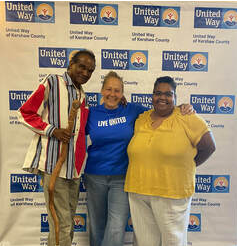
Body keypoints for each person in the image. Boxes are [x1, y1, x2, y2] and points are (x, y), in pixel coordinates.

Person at [84, 71, 193, 246]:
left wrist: (183, 107)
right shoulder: (91, 113)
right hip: (95, 175)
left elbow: (162, 110)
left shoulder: (133, 110)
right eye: (109, 89)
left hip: (122, 177)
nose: (113, 94)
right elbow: (75, 138)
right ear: (102, 91)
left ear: (122, 93)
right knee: (97, 226)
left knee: (116, 226)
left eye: (117, 90)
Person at [124, 76, 216, 246]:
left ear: (175, 97)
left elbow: (209, 146)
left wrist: (187, 166)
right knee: (144, 241)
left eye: (168, 94)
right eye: (158, 93)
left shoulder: (186, 117)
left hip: (172, 192)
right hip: (138, 190)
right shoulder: (142, 119)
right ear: (152, 96)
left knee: (173, 241)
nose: (162, 98)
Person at [18, 50, 96, 246]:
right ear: (71, 64)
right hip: (54, 167)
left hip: (74, 171)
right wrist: (52, 130)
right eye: (82, 67)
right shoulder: (53, 82)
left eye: (90, 70)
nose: (86, 73)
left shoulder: (82, 94)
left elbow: (81, 132)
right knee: (60, 223)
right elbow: (25, 113)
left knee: (66, 222)